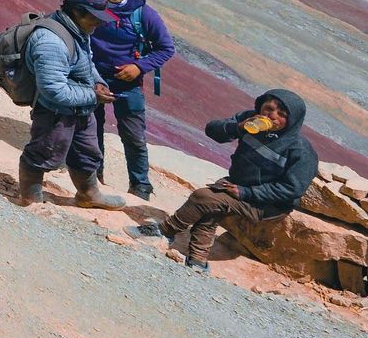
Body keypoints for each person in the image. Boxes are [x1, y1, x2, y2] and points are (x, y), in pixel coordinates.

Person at [129, 89, 317, 273]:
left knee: (202, 197)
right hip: (238, 184)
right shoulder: (250, 119)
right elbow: (212, 130)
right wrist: (238, 127)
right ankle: (197, 262)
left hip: (267, 203)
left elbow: (291, 189)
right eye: (268, 108)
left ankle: (165, 230)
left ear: (293, 120)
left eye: (282, 114)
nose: (272, 116)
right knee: (210, 211)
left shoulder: (300, 150)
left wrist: (246, 193)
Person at [17, 0, 124, 210]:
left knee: (87, 153)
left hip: (81, 107)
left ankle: (89, 195)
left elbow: (85, 62)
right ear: (77, 11)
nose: (100, 23)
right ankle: (30, 198)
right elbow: (53, 89)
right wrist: (93, 96)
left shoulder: (78, 31)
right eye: (95, 17)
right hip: (55, 113)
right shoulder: (51, 42)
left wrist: (98, 83)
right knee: (43, 153)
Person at [88, 0, 176, 200]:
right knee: (91, 129)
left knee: (134, 135)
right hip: (90, 77)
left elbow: (166, 48)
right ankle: (94, 178)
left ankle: (140, 187)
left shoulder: (143, 14)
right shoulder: (86, 4)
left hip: (128, 83)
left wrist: (139, 67)